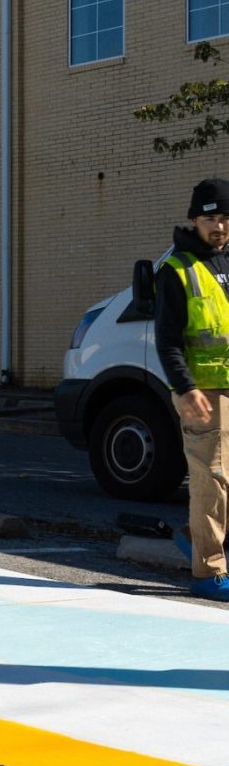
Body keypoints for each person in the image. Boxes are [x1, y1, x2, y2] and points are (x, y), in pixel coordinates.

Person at [155, 177, 229, 602]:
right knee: (211, 481)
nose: (217, 226)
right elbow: (167, 340)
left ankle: (194, 536)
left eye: (223, 218)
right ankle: (208, 571)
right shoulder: (176, 271)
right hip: (202, 394)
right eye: (209, 218)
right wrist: (184, 388)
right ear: (193, 220)